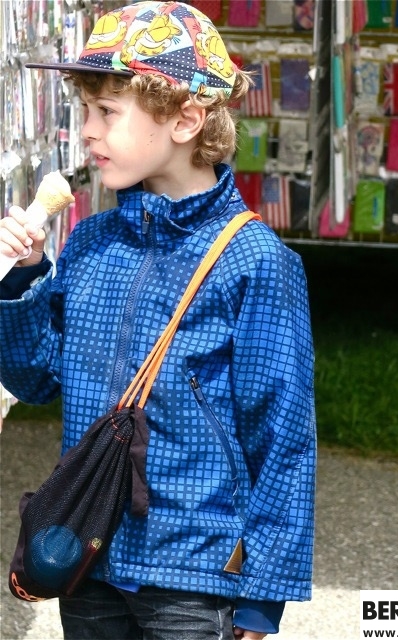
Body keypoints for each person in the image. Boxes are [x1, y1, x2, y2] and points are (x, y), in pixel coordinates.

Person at [0, 2, 316, 639]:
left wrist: (263, 597)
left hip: (193, 576)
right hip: (87, 559)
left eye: (107, 111)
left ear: (185, 119)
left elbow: (283, 437)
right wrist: (24, 278)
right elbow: (35, 381)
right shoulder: (90, 244)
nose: (87, 132)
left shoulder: (255, 262)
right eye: (84, 110)